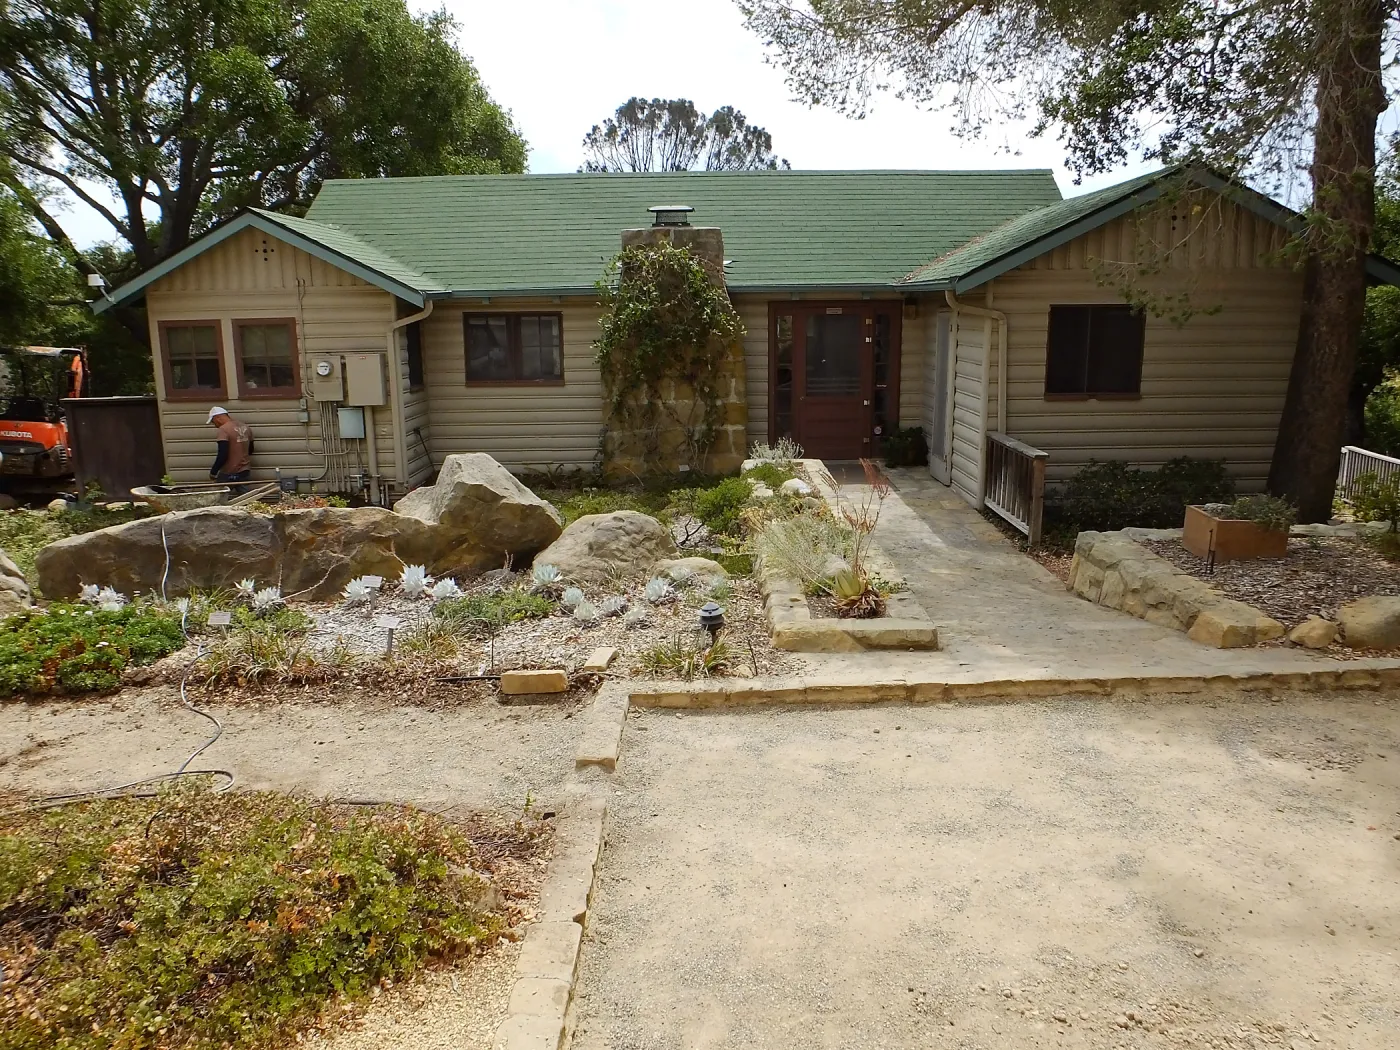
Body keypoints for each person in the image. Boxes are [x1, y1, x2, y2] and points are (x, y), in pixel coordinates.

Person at [207, 406, 254, 491]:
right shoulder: (245, 427)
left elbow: (223, 454)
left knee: (219, 496)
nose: (215, 425)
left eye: (213, 422)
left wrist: (213, 472)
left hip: (229, 471)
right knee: (247, 497)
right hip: (244, 470)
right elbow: (251, 450)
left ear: (217, 418)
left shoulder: (223, 429)